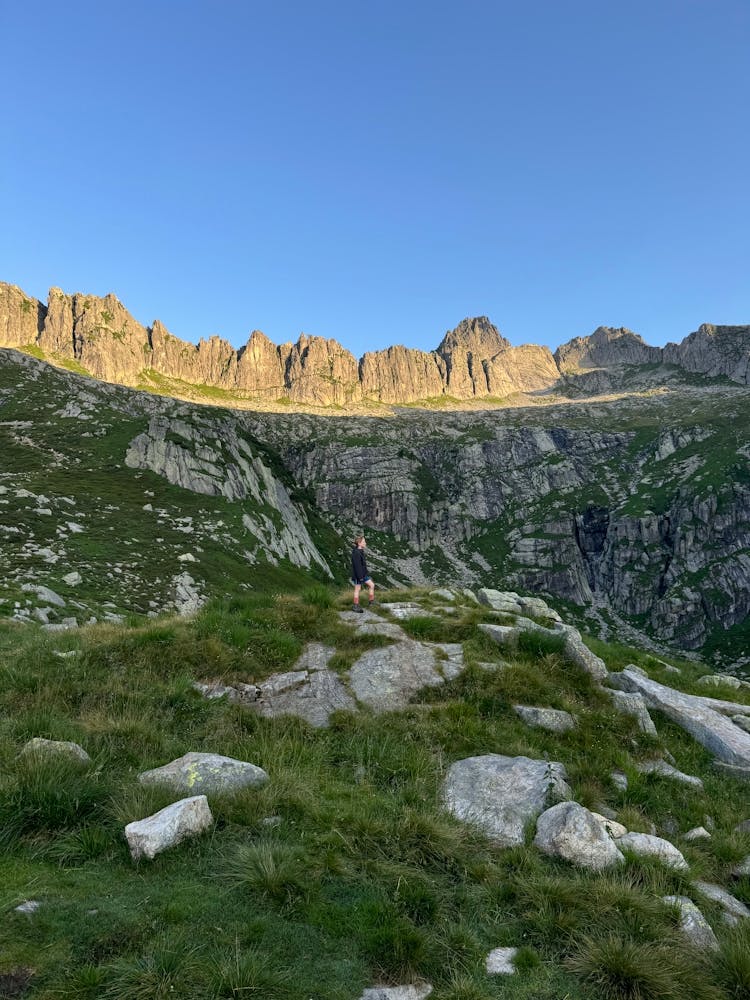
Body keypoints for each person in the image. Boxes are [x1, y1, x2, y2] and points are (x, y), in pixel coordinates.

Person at [351, 535, 375, 612]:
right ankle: (355, 605)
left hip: (363, 574)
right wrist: (360, 577)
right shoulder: (356, 553)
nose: (365, 543)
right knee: (357, 589)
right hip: (359, 575)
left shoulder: (360, 551)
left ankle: (371, 602)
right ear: (359, 543)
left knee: (372, 585)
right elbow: (357, 566)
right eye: (364, 542)